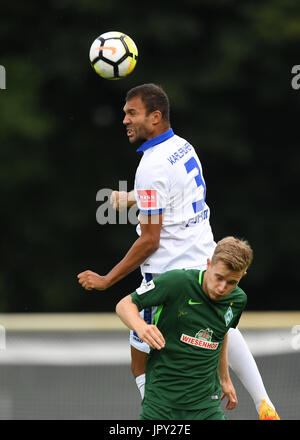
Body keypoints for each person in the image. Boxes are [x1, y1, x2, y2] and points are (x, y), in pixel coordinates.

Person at [77, 83, 279, 420]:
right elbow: (175, 195)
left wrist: (106, 280)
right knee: (224, 327)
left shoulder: (151, 167)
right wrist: (131, 197)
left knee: (142, 361)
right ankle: (263, 400)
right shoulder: (182, 147)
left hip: (171, 278)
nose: (124, 120)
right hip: (205, 261)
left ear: (155, 117)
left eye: (132, 113)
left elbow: (150, 240)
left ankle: (155, 417)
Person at [116, 236, 252, 420]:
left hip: (207, 404)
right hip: (162, 404)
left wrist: (225, 379)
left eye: (232, 282)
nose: (222, 287)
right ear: (209, 263)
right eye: (219, 277)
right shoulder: (177, 281)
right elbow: (124, 305)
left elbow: (221, 334)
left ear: (242, 276)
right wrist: (141, 327)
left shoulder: (238, 300)